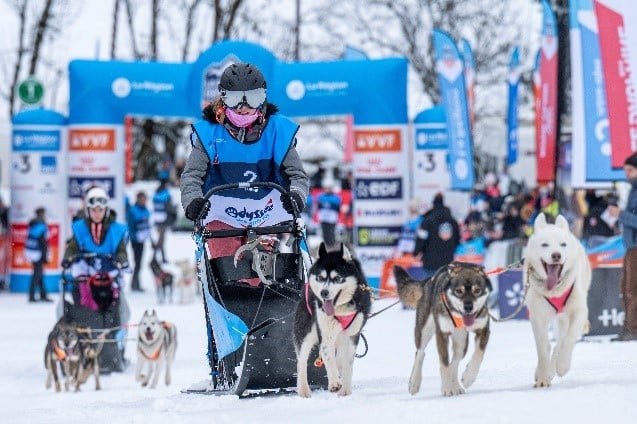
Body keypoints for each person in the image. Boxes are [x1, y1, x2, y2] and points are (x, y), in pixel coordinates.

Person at [180, 62, 309, 244]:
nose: (243, 105)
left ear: (263, 96)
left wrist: (296, 195)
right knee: (229, 267)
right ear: (223, 97)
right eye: (235, 98)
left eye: (253, 97)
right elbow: (192, 175)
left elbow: (297, 175)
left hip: (266, 215)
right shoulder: (209, 133)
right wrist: (193, 201)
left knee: (262, 269)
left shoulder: (278, 130)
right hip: (220, 215)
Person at [607, 152, 637, 341]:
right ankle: (629, 327)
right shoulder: (632, 190)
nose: (626, 174)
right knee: (626, 288)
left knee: (632, 289)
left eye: (630, 170)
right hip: (630, 246)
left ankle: (633, 329)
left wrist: (620, 214)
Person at [413, 192, 461, 279]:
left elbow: (421, 239)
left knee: (431, 287)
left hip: (430, 261)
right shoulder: (453, 221)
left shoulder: (427, 221)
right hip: (447, 261)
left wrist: (416, 252)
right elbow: (458, 240)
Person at [126, 191, 151, 292]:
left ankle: (136, 283)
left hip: (142, 239)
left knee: (139, 262)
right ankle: (135, 284)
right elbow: (130, 226)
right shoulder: (132, 210)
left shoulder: (145, 209)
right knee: (137, 262)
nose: (144, 201)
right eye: (143, 199)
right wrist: (135, 237)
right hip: (135, 240)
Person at [26, 207, 51, 302]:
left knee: (39, 273)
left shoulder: (33, 224)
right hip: (37, 253)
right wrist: (45, 256)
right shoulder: (41, 226)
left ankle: (43, 294)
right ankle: (31, 295)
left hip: (31, 251)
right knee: (37, 274)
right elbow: (43, 243)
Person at [152, 179, 176, 263]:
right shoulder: (166, 194)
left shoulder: (156, 193)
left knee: (161, 238)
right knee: (161, 239)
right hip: (164, 219)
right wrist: (174, 211)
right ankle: (154, 257)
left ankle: (162, 258)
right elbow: (169, 207)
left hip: (157, 218)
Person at [316, 181, 342, 250]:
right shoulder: (321, 197)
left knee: (331, 233)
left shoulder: (336, 198)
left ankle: (332, 246)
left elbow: (338, 208)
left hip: (331, 218)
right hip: (324, 218)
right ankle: (327, 246)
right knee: (325, 233)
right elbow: (319, 207)